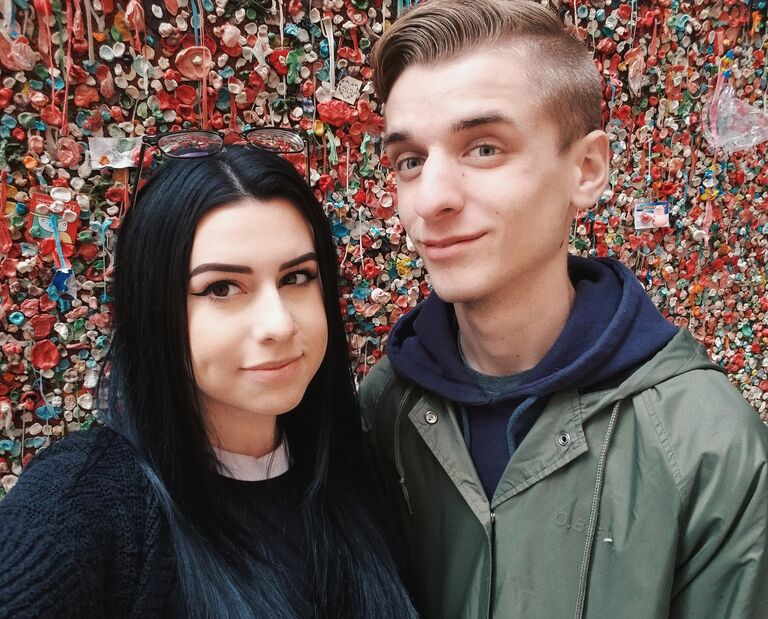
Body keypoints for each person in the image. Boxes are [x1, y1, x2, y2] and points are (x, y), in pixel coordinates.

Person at [360, 1, 768, 618]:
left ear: (586, 169)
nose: (432, 199)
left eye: (484, 148)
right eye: (410, 160)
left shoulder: (708, 447)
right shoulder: (382, 412)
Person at [0, 143, 417, 618]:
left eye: (297, 277)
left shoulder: (358, 471)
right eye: (222, 288)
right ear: (154, 308)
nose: (278, 325)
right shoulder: (87, 500)